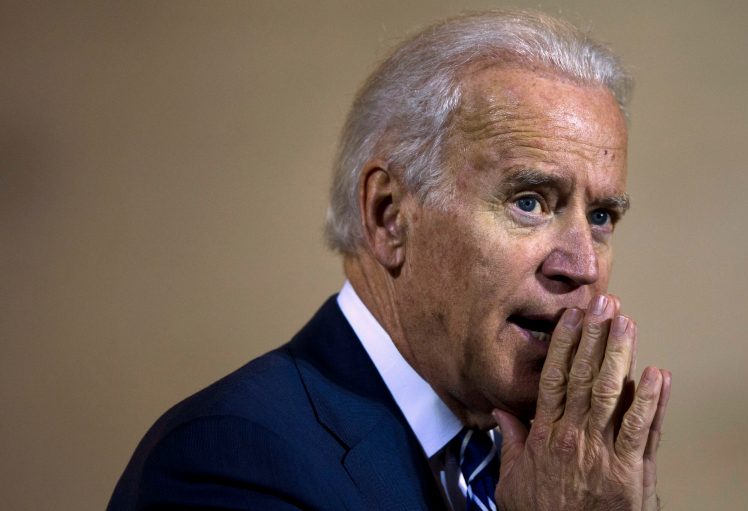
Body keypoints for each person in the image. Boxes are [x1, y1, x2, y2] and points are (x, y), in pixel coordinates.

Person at [108, 10, 672, 511]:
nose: (582, 265)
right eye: (529, 202)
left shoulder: (559, 470)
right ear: (389, 217)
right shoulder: (228, 462)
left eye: (601, 217)